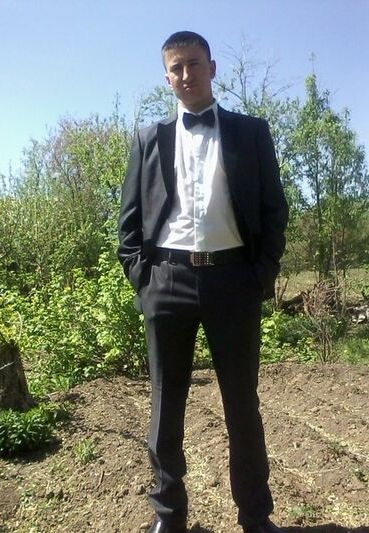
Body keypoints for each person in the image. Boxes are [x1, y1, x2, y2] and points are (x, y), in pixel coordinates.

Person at [118, 31, 289, 533]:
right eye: (176, 67)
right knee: (165, 405)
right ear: (166, 77)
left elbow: (275, 210)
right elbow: (129, 223)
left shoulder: (251, 133)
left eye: (194, 64)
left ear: (212, 68)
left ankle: (255, 517)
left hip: (234, 281)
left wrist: (261, 274)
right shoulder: (148, 139)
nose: (186, 74)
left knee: (242, 406)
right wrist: (144, 279)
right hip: (167, 281)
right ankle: (169, 517)